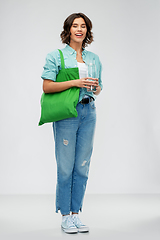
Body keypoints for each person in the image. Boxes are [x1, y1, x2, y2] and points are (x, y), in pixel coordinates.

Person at [41, 12, 103, 234]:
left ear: (87, 30)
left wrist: (94, 87)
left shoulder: (94, 59)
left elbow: (99, 87)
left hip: (89, 111)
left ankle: (76, 213)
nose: (80, 29)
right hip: (67, 113)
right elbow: (47, 87)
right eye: (75, 25)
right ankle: (65, 215)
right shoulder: (56, 56)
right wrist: (76, 82)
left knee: (83, 166)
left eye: (83, 26)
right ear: (68, 30)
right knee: (66, 167)